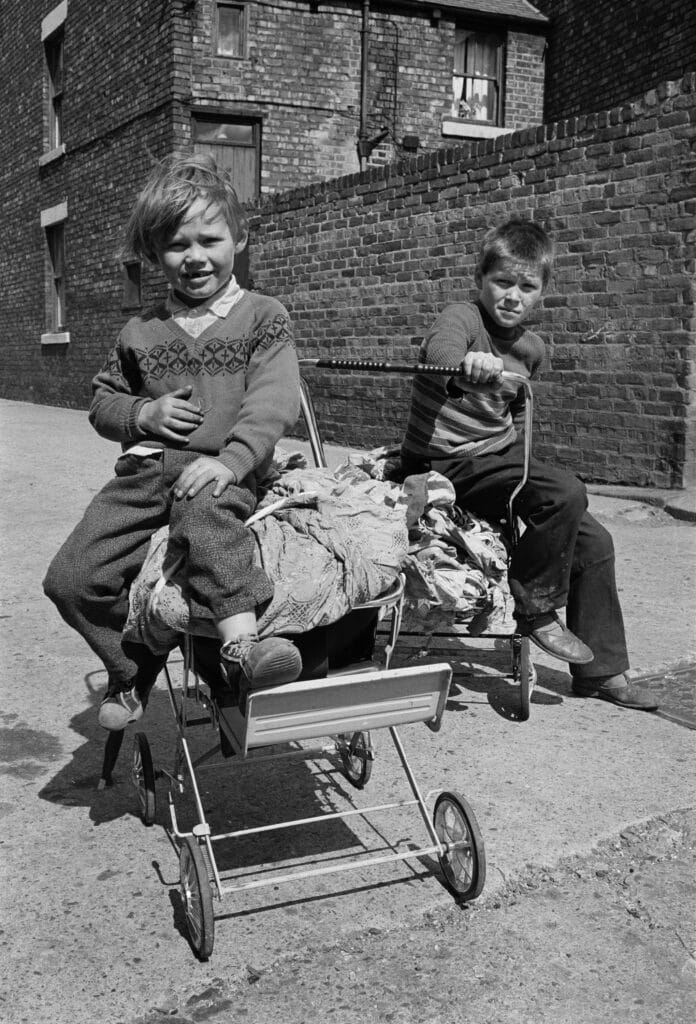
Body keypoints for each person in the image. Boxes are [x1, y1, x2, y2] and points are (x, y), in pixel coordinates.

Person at [44, 153, 303, 730]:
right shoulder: (140, 330)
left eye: (209, 240)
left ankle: (243, 649)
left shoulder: (263, 315)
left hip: (219, 469)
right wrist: (143, 413)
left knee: (205, 513)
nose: (194, 258)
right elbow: (102, 402)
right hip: (143, 473)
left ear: (237, 236)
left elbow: (274, 400)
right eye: (175, 246)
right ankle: (131, 666)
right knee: (69, 578)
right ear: (154, 253)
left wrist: (233, 463)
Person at [401, 218, 657, 711]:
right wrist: (466, 368)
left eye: (527, 286)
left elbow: (516, 421)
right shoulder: (462, 319)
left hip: (496, 461)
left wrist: (526, 479)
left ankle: (600, 672)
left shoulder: (532, 349)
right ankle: (537, 608)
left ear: (542, 293)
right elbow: (440, 349)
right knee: (566, 490)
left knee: (595, 541)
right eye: (502, 282)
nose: (513, 296)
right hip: (445, 463)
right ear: (480, 281)